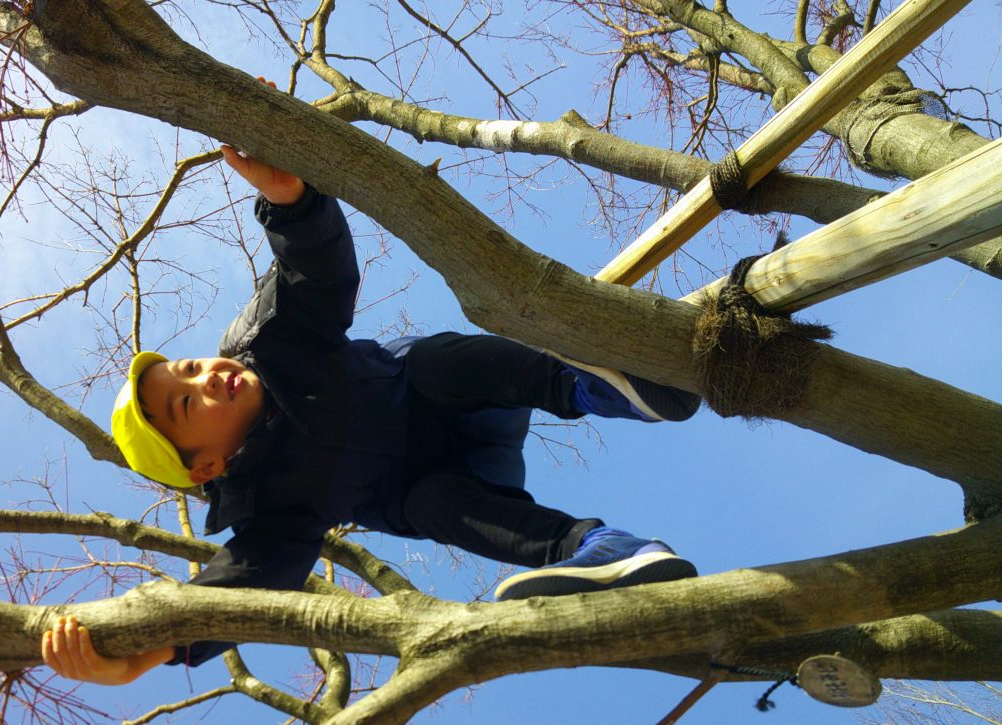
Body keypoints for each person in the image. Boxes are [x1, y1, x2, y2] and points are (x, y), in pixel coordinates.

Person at [42, 141, 699, 685]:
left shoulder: (276, 342)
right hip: (461, 481)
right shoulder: (274, 510)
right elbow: (240, 587)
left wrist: (292, 201)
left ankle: (605, 386)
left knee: (434, 363)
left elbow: (316, 275)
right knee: (433, 506)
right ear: (207, 465)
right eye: (189, 403)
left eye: (189, 368)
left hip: (458, 399)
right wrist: (148, 653)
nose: (207, 377)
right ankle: (608, 555)